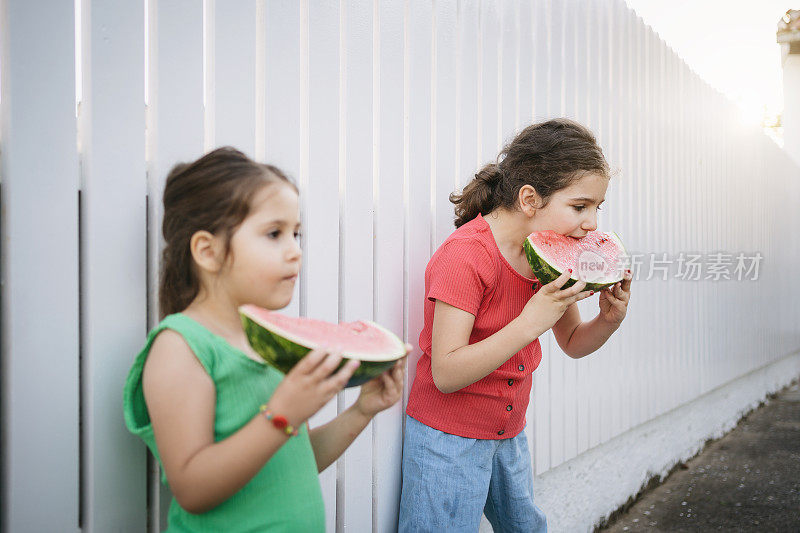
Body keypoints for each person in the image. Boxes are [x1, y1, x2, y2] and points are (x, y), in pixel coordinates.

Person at [123, 147, 406, 531]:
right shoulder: (181, 346)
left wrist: (362, 409)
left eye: (296, 234)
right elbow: (191, 488)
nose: (295, 252)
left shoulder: (265, 342)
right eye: (274, 234)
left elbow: (297, 459)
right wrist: (282, 415)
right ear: (208, 251)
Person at [398, 118, 633, 532]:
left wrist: (609, 321)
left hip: (509, 434)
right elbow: (446, 372)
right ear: (529, 198)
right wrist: (528, 324)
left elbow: (574, 342)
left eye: (598, 207)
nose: (593, 223)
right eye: (580, 206)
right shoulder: (466, 257)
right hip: (448, 440)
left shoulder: (547, 260)